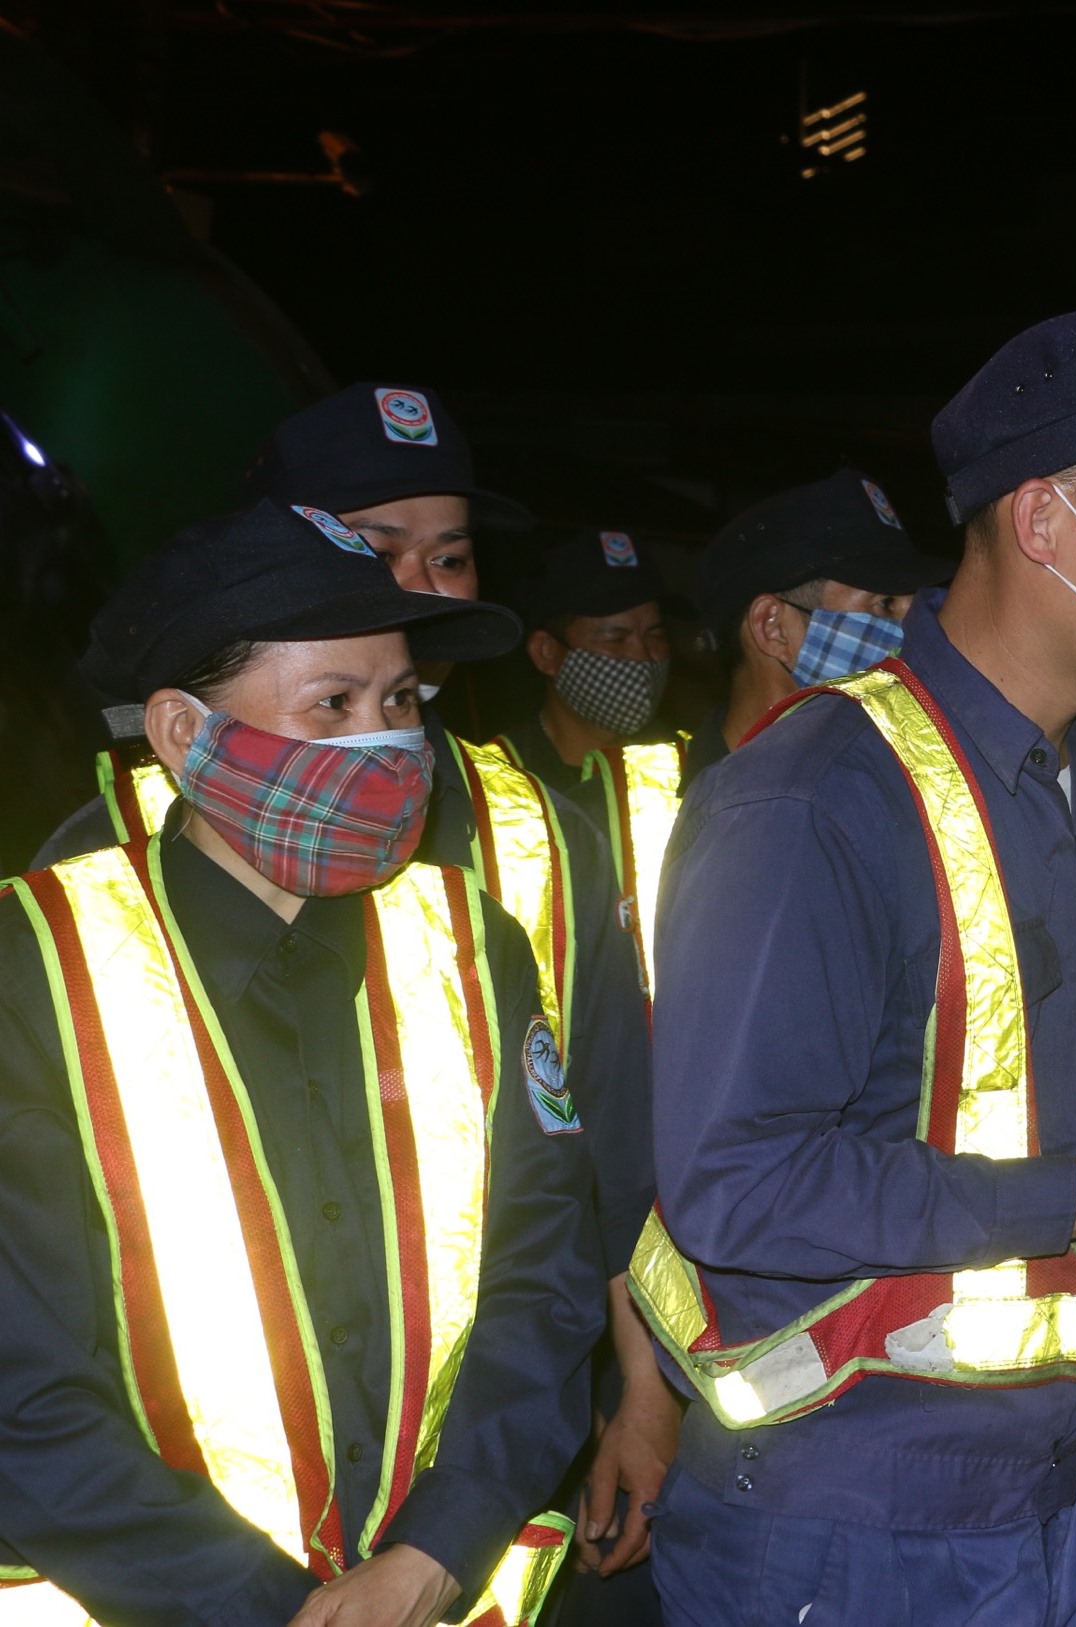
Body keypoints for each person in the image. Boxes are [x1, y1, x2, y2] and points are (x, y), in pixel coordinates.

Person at [636, 290, 1076, 1627]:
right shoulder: (814, 799)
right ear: (1039, 521)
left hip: (1056, 1494)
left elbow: (1006, 1072)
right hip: (845, 1517)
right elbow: (739, 1181)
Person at [36, 382, 677, 1613]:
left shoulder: (498, 885)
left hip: (453, 1540)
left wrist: (452, 1538)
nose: (385, 743)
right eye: (334, 704)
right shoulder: (59, 926)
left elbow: (568, 1215)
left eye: (449, 557)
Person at [688, 467, 956, 782]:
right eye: (885, 605)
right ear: (772, 627)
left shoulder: (869, 774)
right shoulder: (721, 812)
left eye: (917, 608)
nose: (916, 630)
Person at [508, 529, 676, 786]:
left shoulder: (690, 763)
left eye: (655, 636)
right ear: (547, 652)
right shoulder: (498, 775)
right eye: (615, 639)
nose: (642, 657)